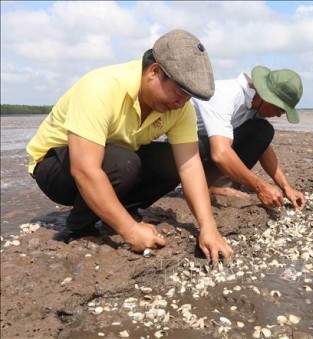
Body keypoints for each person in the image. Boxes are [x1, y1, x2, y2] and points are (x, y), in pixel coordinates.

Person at [26, 29, 233, 262]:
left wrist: (208, 227)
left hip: (112, 160)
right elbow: (84, 169)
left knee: (171, 161)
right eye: (179, 92)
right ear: (155, 71)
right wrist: (130, 231)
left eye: (188, 97)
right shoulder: (101, 87)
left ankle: (117, 211)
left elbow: (190, 165)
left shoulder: (179, 107)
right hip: (56, 167)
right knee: (124, 164)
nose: (181, 103)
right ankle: (78, 227)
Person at [192, 66, 306, 211]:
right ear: (267, 98)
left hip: (208, 149)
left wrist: (286, 187)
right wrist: (260, 186)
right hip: (181, 153)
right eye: (280, 110)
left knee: (263, 130)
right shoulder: (226, 94)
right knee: (212, 146)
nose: (279, 115)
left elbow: (263, 149)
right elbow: (220, 153)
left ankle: (218, 185)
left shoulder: (254, 104)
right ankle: (206, 188)